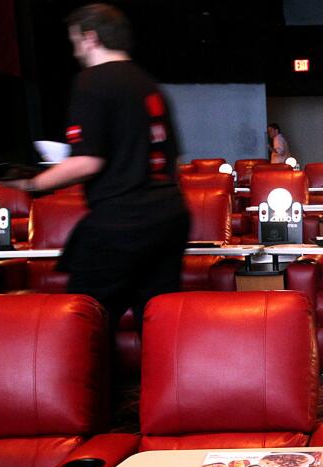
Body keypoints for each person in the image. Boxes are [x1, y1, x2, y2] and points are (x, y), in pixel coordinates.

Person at [10, 3, 189, 335]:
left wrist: (33, 183)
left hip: (122, 221)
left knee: (83, 321)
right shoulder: (150, 86)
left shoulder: (92, 81)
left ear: (90, 38)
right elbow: (173, 160)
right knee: (159, 322)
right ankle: (164, 386)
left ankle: (86, 387)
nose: (75, 49)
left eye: (75, 40)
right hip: (169, 217)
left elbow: (88, 160)